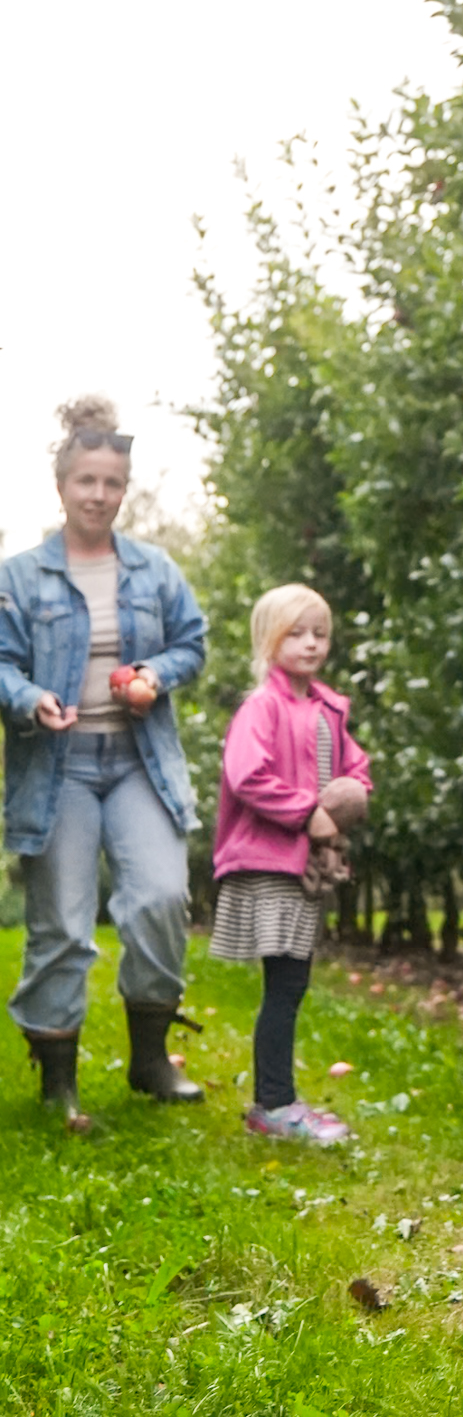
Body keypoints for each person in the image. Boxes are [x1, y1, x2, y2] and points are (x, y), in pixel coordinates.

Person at [0, 397, 208, 1128]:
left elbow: (191, 642)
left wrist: (154, 673)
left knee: (159, 898)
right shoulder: (21, 576)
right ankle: (58, 1079)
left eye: (111, 482)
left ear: (124, 488)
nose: (98, 494)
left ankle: (150, 1060)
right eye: (86, 480)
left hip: (137, 761)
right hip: (57, 766)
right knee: (62, 921)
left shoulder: (154, 570)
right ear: (62, 485)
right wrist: (30, 699)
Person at [210, 583, 371, 1145]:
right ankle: (273, 1103)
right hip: (269, 861)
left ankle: (275, 1100)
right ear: (269, 641)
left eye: (319, 634)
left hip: (302, 862)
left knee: (291, 981)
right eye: (296, 633)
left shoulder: (328, 707)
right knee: (285, 983)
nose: (310, 644)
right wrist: (308, 814)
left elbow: (355, 767)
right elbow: (247, 775)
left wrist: (348, 799)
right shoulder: (262, 707)